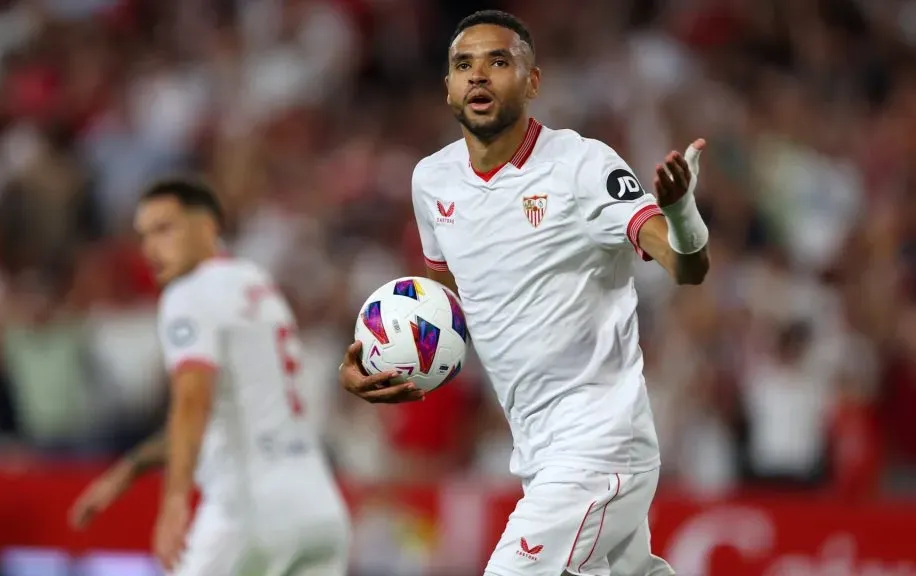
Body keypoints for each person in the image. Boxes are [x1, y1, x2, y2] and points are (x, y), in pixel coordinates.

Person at [339, 10, 711, 576]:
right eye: (464, 65)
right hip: (536, 451)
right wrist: (384, 359)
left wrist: (681, 214)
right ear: (448, 89)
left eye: (498, 61)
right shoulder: (431, 182)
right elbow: (452, 302)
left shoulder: (582, 166)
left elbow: (687, 267)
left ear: (532, 82)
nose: (479, 76)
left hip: (600, 443)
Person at [69, 178, 351, 576]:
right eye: (144, 235)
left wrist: (175, 500)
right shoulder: (256, 285)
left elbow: (192, 400)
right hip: (318, 509)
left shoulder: (188, 293)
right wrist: (129, 468)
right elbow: (223, 417)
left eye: (165, 229)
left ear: (206, 227)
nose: (151, 248)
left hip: (248, 510)